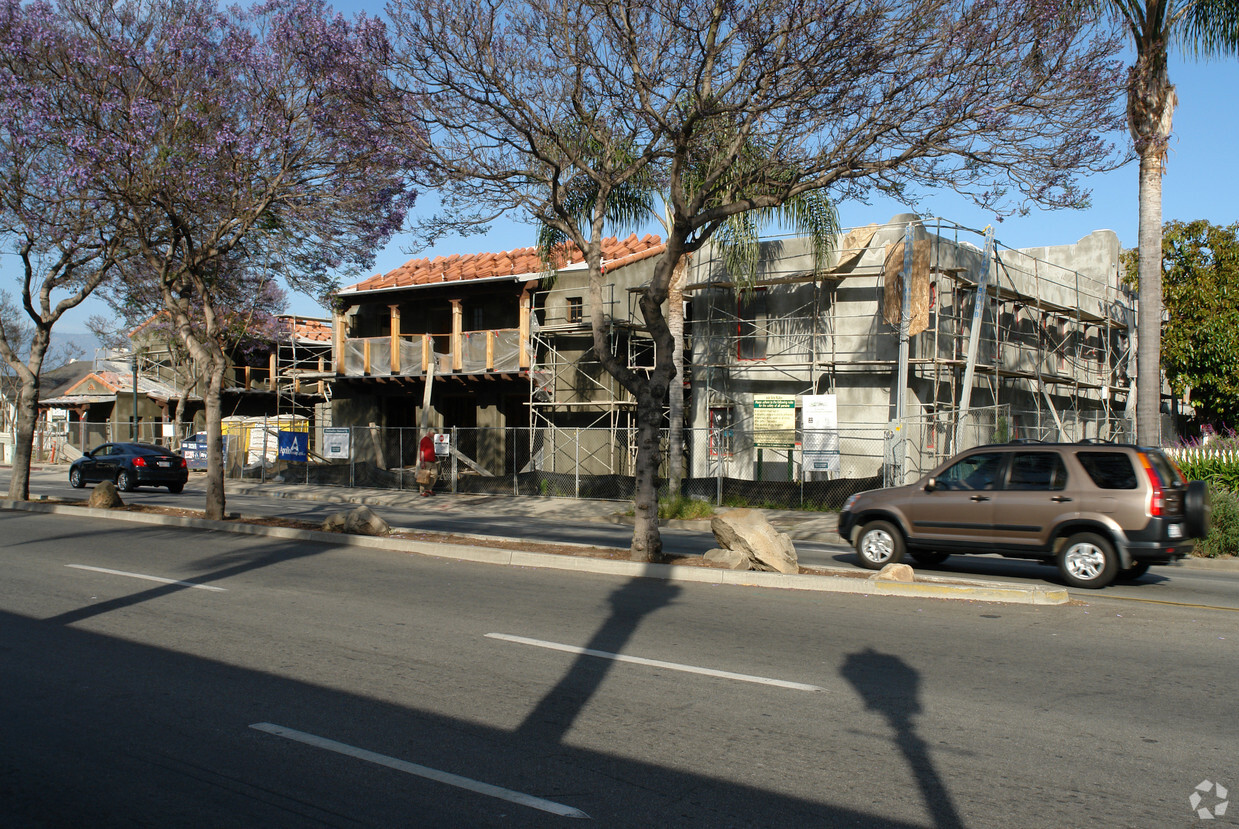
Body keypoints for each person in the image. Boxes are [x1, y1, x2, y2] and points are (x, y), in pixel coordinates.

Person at [417, 430, 438, 496]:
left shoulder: (430, 440)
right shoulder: (424, 440)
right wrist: (422, 462)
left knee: (434, 474)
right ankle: (422, 491)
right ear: (429, 432)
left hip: (432, 461)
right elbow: (422, 451)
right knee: (424, 476)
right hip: (426, 461)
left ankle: (429, 489)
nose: (434, 435)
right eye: (433, 433)